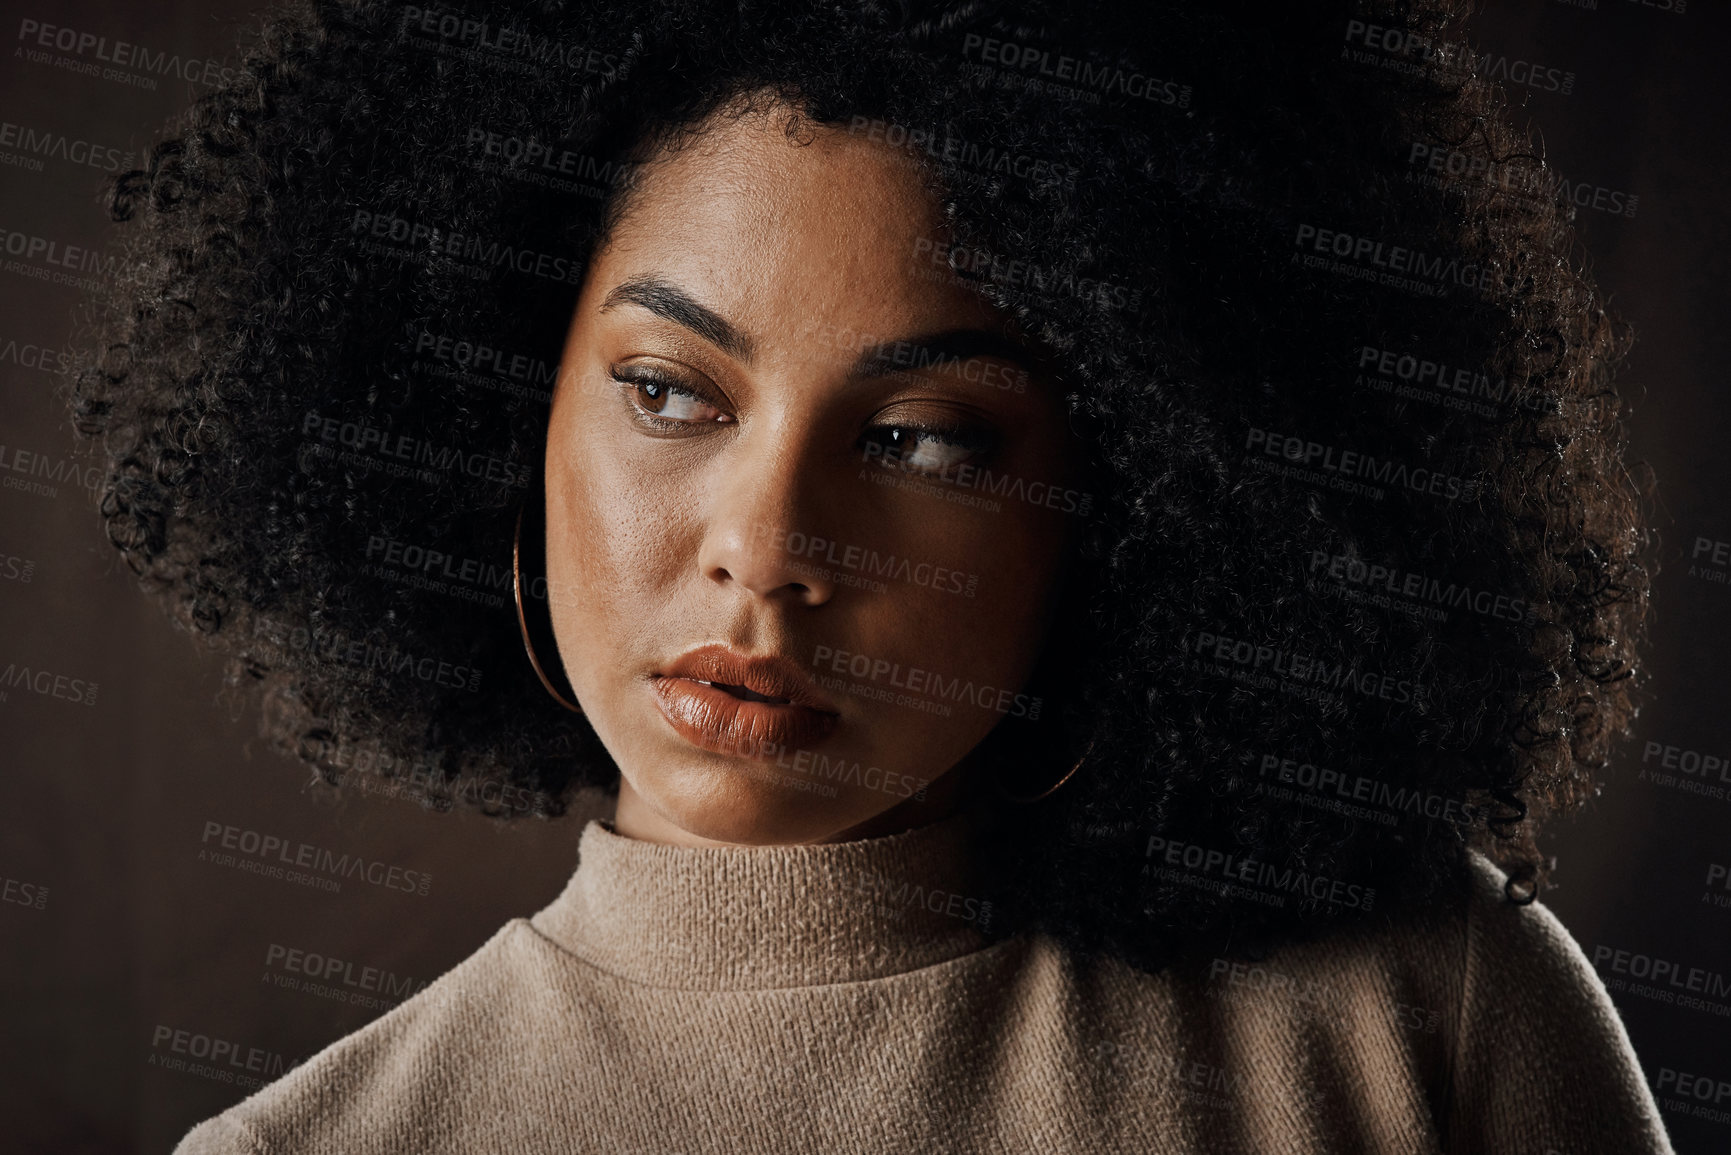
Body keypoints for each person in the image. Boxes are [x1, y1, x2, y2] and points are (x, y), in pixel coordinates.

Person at [69, 0, 1673, 1150]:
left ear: (1144, 500)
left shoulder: (1420, 1020)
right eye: (670, 392)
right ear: (505, 400)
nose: (765, 553)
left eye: (923, 440)